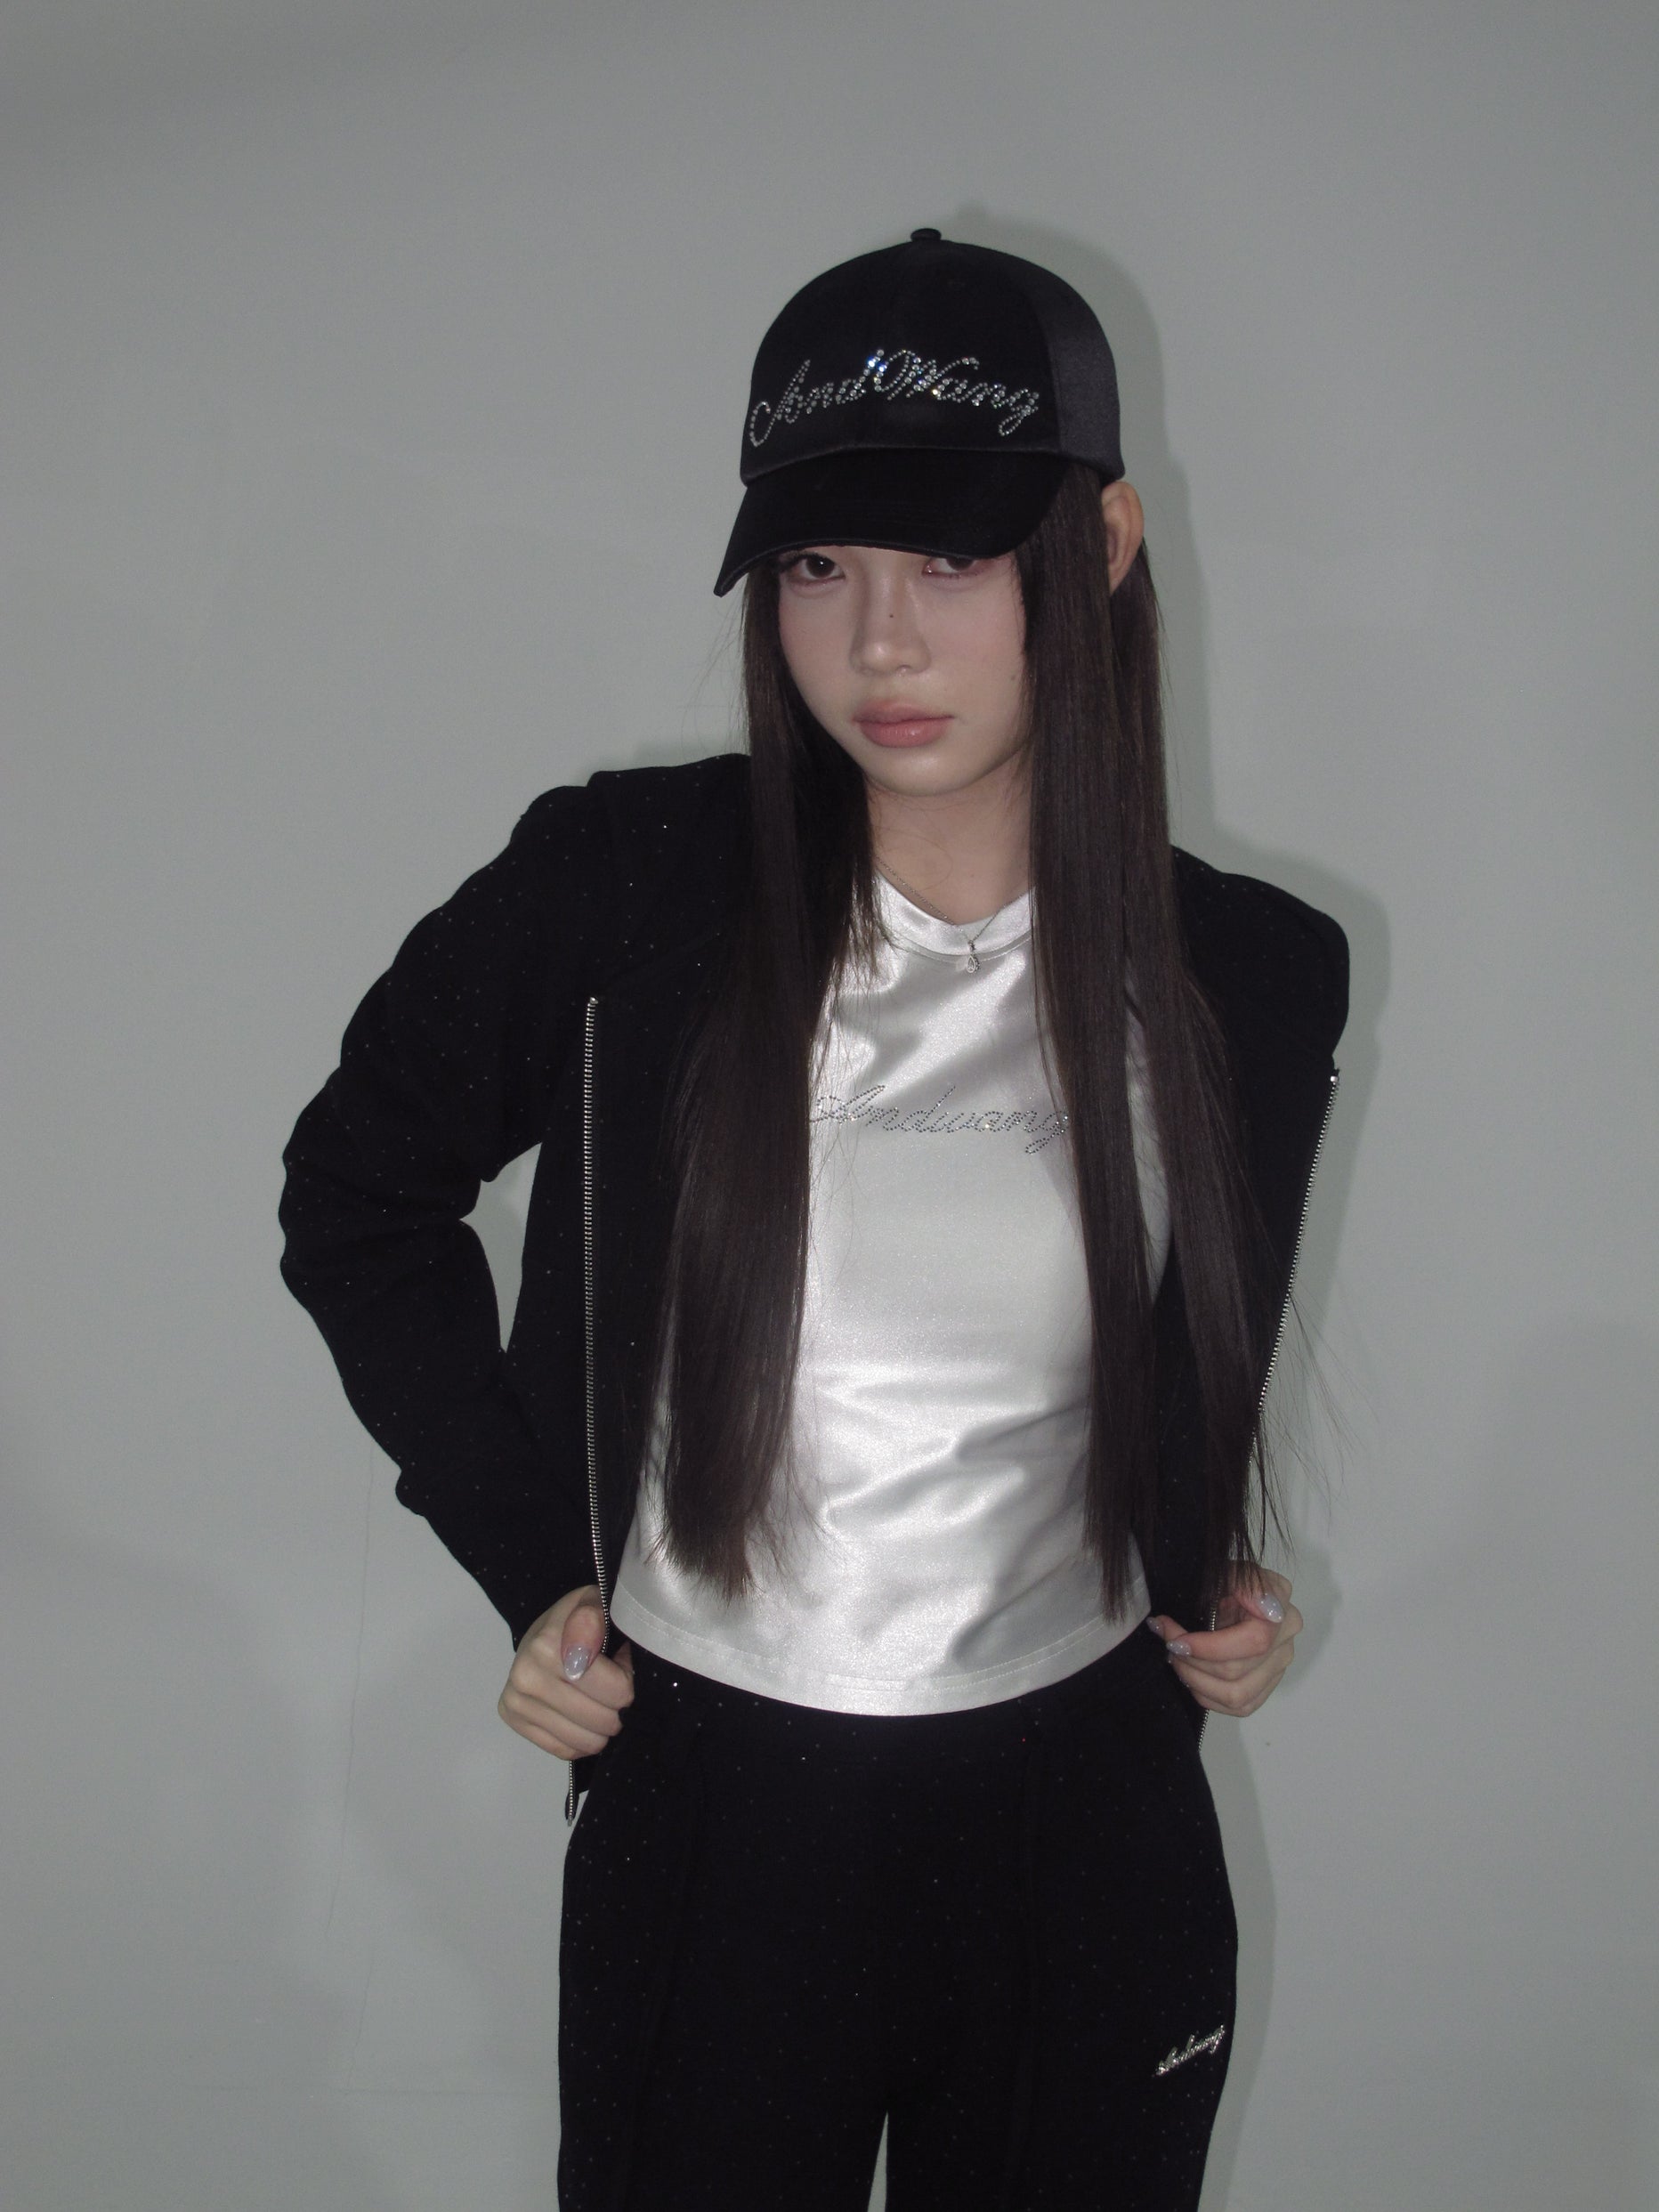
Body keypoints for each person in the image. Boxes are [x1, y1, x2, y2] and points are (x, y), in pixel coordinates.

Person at [279, 229, 1347, 2211]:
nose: (879, 645)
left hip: (1086, 1838)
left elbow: (1151, 1370)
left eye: (949, 558)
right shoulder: (618, 892)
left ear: (1102, 544)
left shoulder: (1253, 977)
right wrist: (537, 1570)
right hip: (719, 1825)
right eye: (816, 567)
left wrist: (1206, 1575)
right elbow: (358, 1196)